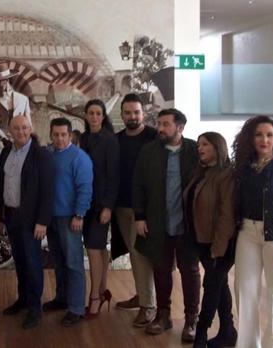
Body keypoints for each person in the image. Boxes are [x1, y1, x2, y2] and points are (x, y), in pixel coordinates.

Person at [133, 108, 200, 342]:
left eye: (166, 124)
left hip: (189, 226)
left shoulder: (195, 151)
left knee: (190, 272)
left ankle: (192, 319)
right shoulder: (149, 151)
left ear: (180, 128)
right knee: (161, 270)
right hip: (158, 223)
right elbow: (138, 185)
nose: (160, 128)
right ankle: (163, 315)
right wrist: (139, 217)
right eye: (159, 124)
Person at [232, 115, 273, 348]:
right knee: (244, 290)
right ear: (251, 138)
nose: (264, 139)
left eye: (269, 135)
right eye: (259, 134)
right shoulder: (243, 168)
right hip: (247, 235)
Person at [0, 115, 54, 329]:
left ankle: (35, 308)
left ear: (31, 128)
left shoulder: (41, 155)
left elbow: (48, 192)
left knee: (32, 262)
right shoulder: (5, 153)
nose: (21, 132)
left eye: (25, 128)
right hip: (11, 216)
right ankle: (23, 300)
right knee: (19, 261)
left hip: (32, 221)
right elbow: (0, 186)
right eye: (17, 128)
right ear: (10, 130)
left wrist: (42, 221)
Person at [182, 132, 236, 348]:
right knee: (219, 285)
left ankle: (202, 333)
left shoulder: (226, 174)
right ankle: (228, 331)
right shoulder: (200, 172)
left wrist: (218, 247)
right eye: (198, 145)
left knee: (211, 285)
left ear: (217, 147)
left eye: (204, 144)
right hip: (200, 239)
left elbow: (227, 214)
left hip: (220, 243)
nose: (199, 148)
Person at [113, 93, 158, 328]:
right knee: (133, 253)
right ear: (122, 115)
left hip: (145, 210)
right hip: (122, 206)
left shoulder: (154, 138)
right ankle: (142, 295)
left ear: (144, 113)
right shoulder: (117, 139)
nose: (132, 116)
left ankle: (149, 306)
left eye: (136, 112)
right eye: (128, 112)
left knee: (141, 255)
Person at [43, 117, 92, 326]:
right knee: (59, 263)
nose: (60, 138)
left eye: (64, 135)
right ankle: (62, 299)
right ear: (51, 135)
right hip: (51, 218)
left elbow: (85, 188)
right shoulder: (49, 155)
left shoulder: (79, 158)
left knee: (73, 264)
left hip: (70, 218)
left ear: (70, 135)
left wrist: (79, 215)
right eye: (56, 135)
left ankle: (77, 308)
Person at [78, 99, 119, 317]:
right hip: (86, 202)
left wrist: (108, 207)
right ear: (85, 115)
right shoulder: (83, 139)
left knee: (93, 249)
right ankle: (103, 290)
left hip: (101, 204)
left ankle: (94, 297)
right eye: (91, 113)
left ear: (103, 116)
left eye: (98, 113)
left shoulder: (110, 140)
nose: (94, 117)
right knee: (100, 248)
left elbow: (114, 176)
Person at [0, 62, 31, 142]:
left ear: (6, 81)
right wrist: (4, 139)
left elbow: (28, 124)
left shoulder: (23, 99)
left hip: (20, 140)